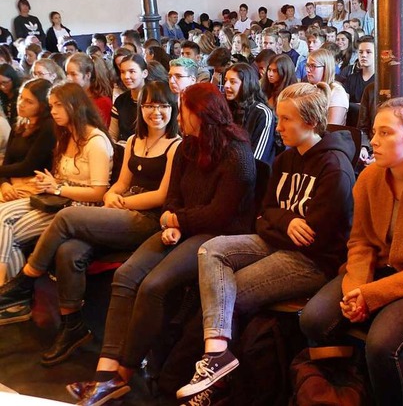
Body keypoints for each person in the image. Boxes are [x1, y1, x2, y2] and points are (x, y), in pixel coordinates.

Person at [66, 83, 256, 405]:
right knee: (125, 276)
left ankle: (122, 376)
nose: (178, 117)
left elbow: (220, 214)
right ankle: (104, 374)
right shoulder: (187, 148)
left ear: (202, 114)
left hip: (218, 238)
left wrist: (177, 221)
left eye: (183, 110)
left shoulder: (236, 153)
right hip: (182, 227)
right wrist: (171, 218)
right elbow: (173, 197)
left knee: (153, 285)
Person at [177, 81, 356, 400]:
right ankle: (217, 357)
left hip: (313, 263)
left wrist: (275, 224)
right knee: (212, 250)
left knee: (224, 293)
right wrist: (286, 222)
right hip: (279, 243)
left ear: (310, 123)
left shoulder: (334, 167)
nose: (278, 126)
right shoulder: (287, 159)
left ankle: (214, 384)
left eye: (286, 119)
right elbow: (265, 213)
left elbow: (314, 240)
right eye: (278, 117)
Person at [300, 89, 403, 406]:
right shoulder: (370, 177)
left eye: (385, 133)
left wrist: (370, 296)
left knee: (381, 343)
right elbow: (360, 240)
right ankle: (348, 389)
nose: (373, 140)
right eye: (375, 131)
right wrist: (356, 288)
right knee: (313, 319)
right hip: (378, 268)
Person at [0, 82, 180, 358]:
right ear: (141, 108)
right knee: (69, 250)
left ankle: (25, 280)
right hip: (119, 210)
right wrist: (112, 198)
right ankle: (72, 325)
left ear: (173, 109)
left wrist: (121, 201)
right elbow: (119, 184)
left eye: (163, 106)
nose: (156, 112)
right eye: (149, 106)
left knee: (67, 215)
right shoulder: (134, 141)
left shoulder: (175, 145)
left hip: (148, 220)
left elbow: (161, 196)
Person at [0, 81, 113, 314]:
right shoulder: (66, 135)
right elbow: (61, 177)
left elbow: (98, 193)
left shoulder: (96, 141)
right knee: (3, 216)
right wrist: (49, 182)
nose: (53, 112)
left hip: (79, 207)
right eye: (51, 106)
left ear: (75, 106)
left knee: (8, 230)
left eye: (58, 106)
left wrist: (58, 188)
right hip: (56, 199)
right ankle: (12, 297)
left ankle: (13, 296)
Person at [0, 78, 55, 213]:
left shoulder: (48, 127)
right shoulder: (20, 123)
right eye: (20, 97)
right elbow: (7, 161)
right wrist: (4, 183)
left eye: (29, 102)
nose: (21, 104)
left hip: (34, 182)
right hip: (12, 179)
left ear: (42, 106)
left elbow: (29, 166)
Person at [224, 63, 276, 164]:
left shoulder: (262, 113)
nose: (226, 86)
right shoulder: (225, 107)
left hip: (248, 173)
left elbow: (257, 159)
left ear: (246, 84)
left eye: (233, 82)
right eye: (225, 80)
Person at [65, 53, 113, 127]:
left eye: (73, 74)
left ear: (87, 75)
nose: (68, 78)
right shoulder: (70, 98)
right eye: (67, 74)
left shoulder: (102, 102)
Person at [110, 54, 148, 143]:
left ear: (144, 73)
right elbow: (112, 135)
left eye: (132, 71)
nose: (126, 76)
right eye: (122, 72)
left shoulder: (155, 99)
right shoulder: (121, 101)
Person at [305, 49, 349, 125]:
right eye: (308, 66)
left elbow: (333, 127)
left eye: (313, 66)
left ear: (326, 68)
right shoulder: (308, 89)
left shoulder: (337, 92)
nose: (308, 70)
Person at [343, 36, 375, 103]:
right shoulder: (351, 79)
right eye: (360, 52)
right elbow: (344, 104)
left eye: (368, 52)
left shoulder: (382, 81)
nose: (363, 55)